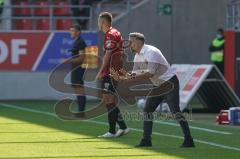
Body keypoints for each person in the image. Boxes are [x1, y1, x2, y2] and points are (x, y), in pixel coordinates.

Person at [112, 32, 195, 147]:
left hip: (169, 83)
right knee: (147, 110)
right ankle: (146, 141)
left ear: (138, 42)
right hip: (158, 85)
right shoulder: (137, 56)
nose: (129, 44)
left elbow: (150, 73)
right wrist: (123, 78)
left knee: (175, 112)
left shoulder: (151, 52)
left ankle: (189, 140)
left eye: (131, 42)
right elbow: (135, 74)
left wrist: (125, 78)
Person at [96, 12, 129, 138]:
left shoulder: (110, 34)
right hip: (113, 71)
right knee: (108, 101)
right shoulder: (115, 32)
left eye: (99, 22)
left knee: (108, 100)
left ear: (103, 22)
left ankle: (112, 131)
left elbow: (108, 55)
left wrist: (100, 71)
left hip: (111, 72)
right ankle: (123, 127)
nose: (98, 24)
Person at [68, 24, 87, 112]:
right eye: (70, 30)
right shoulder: (76, 41)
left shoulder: (80, 42)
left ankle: (81, 110)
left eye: (72, 31)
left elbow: (82, 57)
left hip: (79, 69)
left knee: (79, 89)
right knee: (77, 88)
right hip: (75, 68)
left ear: (78, 32)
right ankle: (80, 109)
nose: (70, 32)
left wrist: (68, 61)